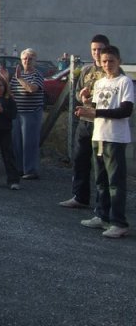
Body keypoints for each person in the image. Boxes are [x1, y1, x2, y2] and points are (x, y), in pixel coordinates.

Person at [75, 45, 133, 238]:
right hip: (98, 135)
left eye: (111, 61)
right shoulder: (99, 83)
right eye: (105, 61)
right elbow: (97, 109)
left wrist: (95, 111)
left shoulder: (124, 82)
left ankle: (119, 222)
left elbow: (125, 110)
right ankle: (102, 215)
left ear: (119, 61)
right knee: (100, 179)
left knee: (115, 181)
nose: (108, 64)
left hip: (115, 138)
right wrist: (86, 103)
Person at [59, 34, 110, 209]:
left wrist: (93, 98)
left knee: (101, 166)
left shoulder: (110, 70)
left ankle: (102, 205)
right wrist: (81, 96)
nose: (97, 53)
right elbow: (77, 92)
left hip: (102, 124)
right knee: (80, 159)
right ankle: (80, 196)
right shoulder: (87, 70)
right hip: (84, 122)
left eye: (100, 49)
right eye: (94, 49)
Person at [0, 48, 44, 180]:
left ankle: (30, 170)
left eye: (30, 59)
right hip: (17, 112)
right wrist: (6, 80)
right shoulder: (18, 75)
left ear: (35, 61)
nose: (27, 61)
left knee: (29, 143)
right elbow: (10, 93)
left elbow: (32, 89)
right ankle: (19, 168)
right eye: (25, 59)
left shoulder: (37, 75)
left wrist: (19, 78)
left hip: (31, 113)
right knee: (16, 142)